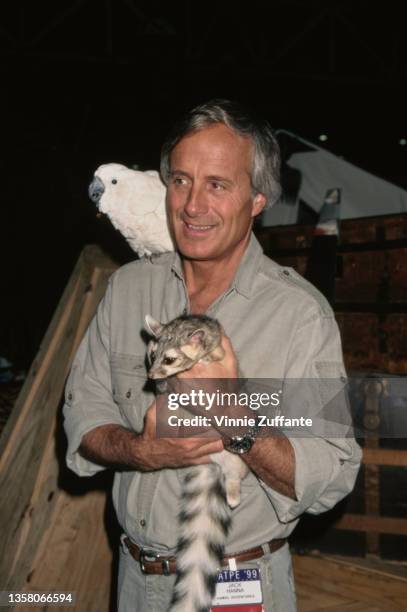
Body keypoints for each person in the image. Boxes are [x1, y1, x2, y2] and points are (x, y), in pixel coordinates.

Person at [63, 99, 362, 611]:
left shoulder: (299, 315)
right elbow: (83, 416)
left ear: (258, 200)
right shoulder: (129, 290)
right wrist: (141, 450)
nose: (192, 205)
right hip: (135, 580)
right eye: (180, 181)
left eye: (217, 185)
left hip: (237, 583)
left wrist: (234, 415)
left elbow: (330, 473)